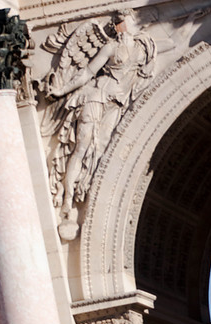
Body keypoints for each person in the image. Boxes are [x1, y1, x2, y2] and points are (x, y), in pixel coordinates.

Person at [43, 10, 156, 239]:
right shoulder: (111, 47)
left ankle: (86, 196)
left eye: (126, 21)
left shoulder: (144, 47)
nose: (123, 25)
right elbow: (87, 72)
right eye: (119, 22)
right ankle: (68, 200)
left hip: (116, 104)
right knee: (82, 148)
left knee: (102, 151)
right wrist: (62, 90)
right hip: (97, 97)